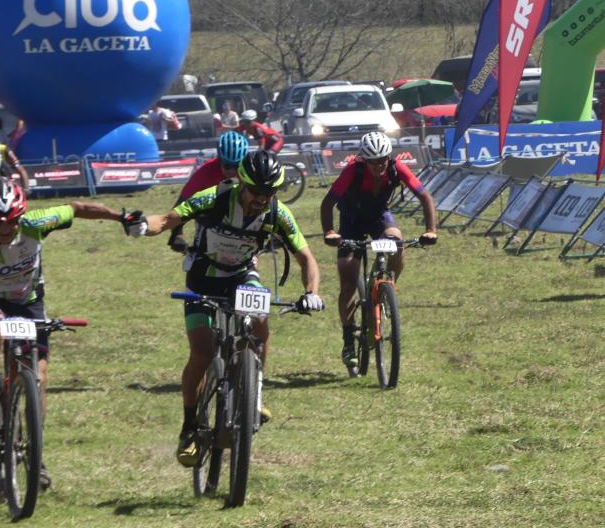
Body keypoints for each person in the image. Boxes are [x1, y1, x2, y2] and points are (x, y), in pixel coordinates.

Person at [0, 176, 144, 490]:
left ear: (21, 218)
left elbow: (77, 208)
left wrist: (120, 217)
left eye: (11, 224)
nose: (5, 231)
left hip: (29, 302)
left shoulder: (37, 223)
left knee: (39, 378)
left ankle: (36, 452)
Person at [131, 151, 324, 467]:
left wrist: (311, 292)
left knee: (260, 321)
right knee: (202, 352)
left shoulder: (278, 213)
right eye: (256, 192)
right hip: (203, 278)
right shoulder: (215, 198)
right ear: (241, 184)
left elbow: (307, 258)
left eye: (269, 193)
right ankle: (189, 425)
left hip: (242, 276)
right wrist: (142, 225)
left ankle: (254, 395)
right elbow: (167, 220)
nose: (262, 199)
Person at [319, 131, 437, 372]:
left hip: (378, 217)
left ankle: (385, 285)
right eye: (373, 162)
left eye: (382, 160)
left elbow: (425, 196)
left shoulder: (396, 168)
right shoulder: (353, 171)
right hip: (351, 222)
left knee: (397, 241)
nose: (378, 166)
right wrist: (330, 232)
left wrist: (431, 230)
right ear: (364, 160)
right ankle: (348, 337)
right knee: (348, 280)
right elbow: (328, 202)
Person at [168, 131, 248, 253]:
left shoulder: (250, 170)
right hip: (210, 223)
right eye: (227, 166)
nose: (232, 171)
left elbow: (268, 203)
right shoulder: (205, 173)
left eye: (237, 166)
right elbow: (180, 207)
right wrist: (177, 235)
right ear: (219, 160)